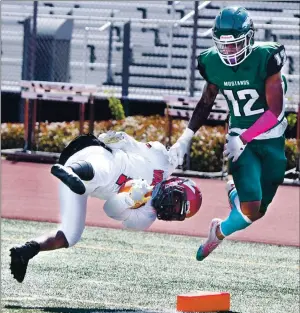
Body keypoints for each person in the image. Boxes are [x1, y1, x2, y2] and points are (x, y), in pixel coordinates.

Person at [169, 6, 288, 261]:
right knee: (249, 210)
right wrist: (185, 137)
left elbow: (275, 111)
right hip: (239, 140)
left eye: (235, 44)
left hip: (271, 138)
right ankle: (229, 202)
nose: (230, 51)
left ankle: (219, 229)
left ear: (249, 38)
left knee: (256, 214)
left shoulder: (267, 58)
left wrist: (245, 137)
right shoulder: (212, 62)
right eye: (225, 46)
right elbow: (206, 101)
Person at [10, 131, 202, 283]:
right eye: (177, 201)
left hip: (81, 184)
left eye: (176, 212)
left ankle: (26, 251)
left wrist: (128, 199)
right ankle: (71, 171)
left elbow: (109, 209)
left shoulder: (146, 217)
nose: (171, 208)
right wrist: (118, 138)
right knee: (108, 172)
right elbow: (131, 145)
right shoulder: (162, 162)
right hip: (92, 155)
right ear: (176, 182)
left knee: (71, 235)